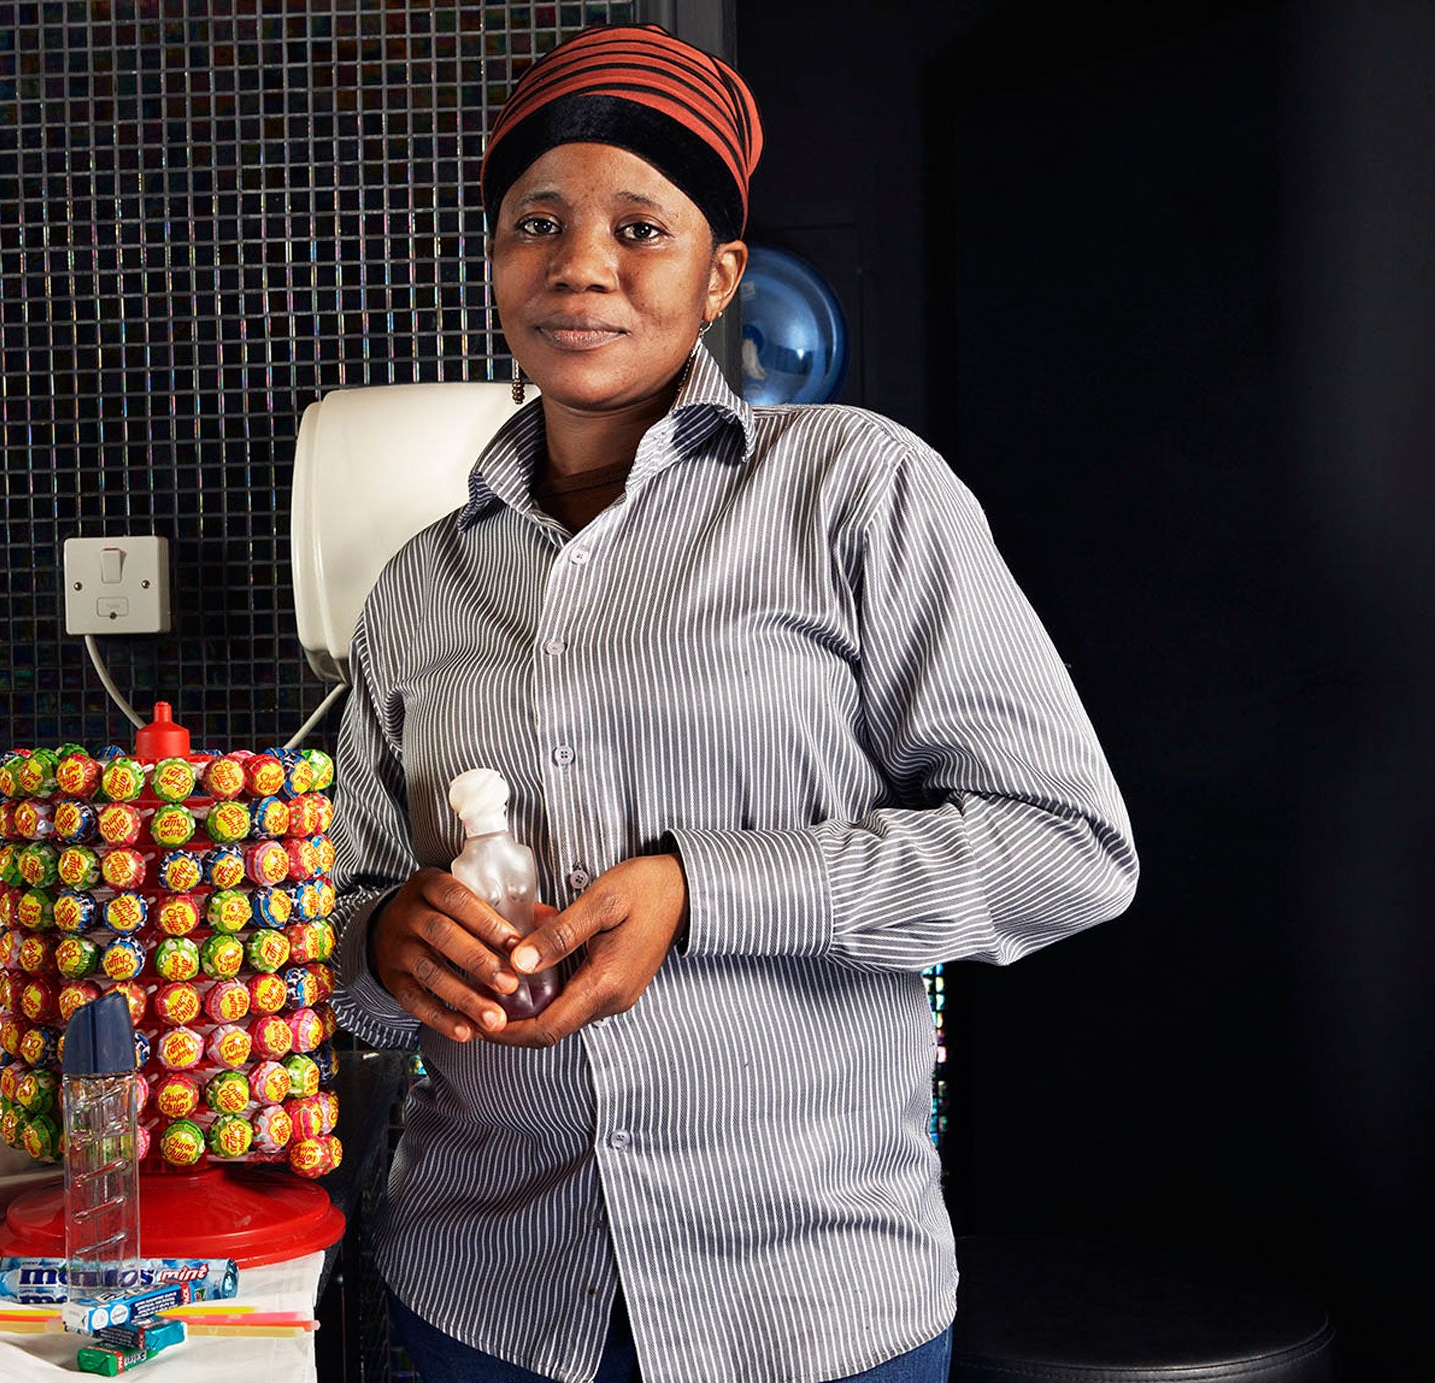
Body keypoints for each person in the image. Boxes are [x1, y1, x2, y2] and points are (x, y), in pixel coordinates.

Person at [327, 23, 1138, 1383]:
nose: (580, 263)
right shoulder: (419, 588)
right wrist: (387, 939)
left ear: (722, 280)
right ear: (494, 263)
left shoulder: (854, 491)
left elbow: (1068, 849)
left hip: (810, 1306)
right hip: (487, 1302)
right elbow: (338, 937)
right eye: (535, 223)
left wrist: (701, 892)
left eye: (640, 226)